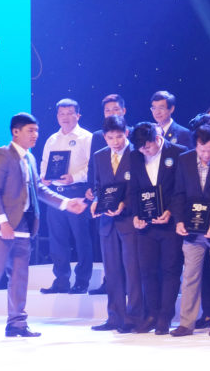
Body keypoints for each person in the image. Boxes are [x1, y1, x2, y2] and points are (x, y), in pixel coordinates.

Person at [0, 113, 88, 338]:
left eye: (36, 130)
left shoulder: (30, 158)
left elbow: (39, 189)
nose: (35, 135)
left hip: (24, 226)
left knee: (20, 276)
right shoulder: (2, 154)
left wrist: (66, 203)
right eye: (30, 130)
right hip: (0, 228)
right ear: (16, 132)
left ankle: (17, 323)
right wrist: (2, 222)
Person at [169, 124, 210, 337]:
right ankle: (186, 323)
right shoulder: (185, 160)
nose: (206, 155)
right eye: (202, 150)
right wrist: (179, 221)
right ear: (195, 145)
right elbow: (178, 194)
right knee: (190, 277)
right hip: (192, 230)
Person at [126, 122, 185, 335]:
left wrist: (170, 211)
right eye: (141, 148)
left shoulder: (178, 153)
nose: (145, 151)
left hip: (169, 224)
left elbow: (181, 189)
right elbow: (133, 189)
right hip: (146, 225)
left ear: (157, 138)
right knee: (147, 270)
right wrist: (136, 215)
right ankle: (151, 314)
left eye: (148, 147)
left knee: (170, 270)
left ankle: (165, 317)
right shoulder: (135, 156)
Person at [87, 115, 143, 333]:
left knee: (132, 271)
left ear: (126, 133)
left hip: (129, 220)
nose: (115, 142)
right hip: (107, 222)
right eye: (110, 138)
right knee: (111, 271)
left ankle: (134, 317)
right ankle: (114, 317)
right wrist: (95, 201)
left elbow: (140, 186)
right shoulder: (99, 156)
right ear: (104, 137)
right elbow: (98, 186)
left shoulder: (136, 154)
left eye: (119, 136)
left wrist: (124, 204)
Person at [39, 98, 94, 295]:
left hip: (78, 193)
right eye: (61, 114)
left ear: (78, 115)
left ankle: (82, 281)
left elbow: (93, 166)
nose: (65, 117)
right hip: (55, 196)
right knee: (57, 239)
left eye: (70, 113)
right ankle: (61, 280)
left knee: (81, 239)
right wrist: (44, 177)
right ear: (57, 116)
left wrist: (74, 177)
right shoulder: (52, 139)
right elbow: (45, 163)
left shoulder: (87, 137)